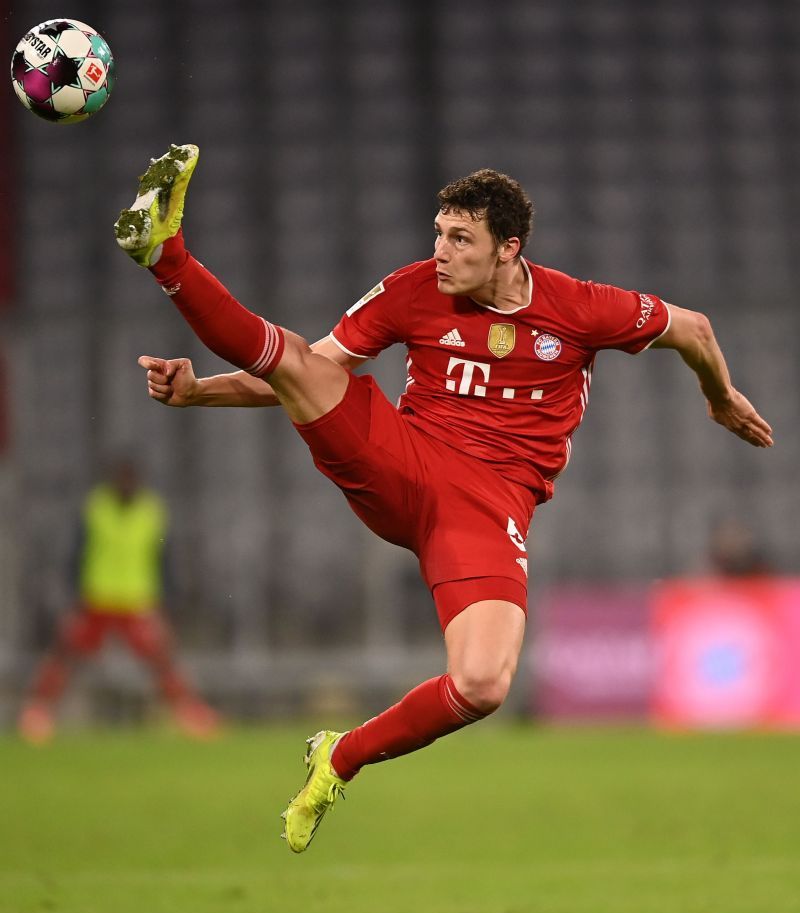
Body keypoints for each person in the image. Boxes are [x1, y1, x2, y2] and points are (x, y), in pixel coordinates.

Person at [114, 144, 773, 852]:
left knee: (484, 682)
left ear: (507, 249)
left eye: (461, 238)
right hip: (403, 458)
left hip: (487, 508)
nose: (440, 250)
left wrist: (720, 395)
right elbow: (308, 369)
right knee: (297, 358)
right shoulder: (410, 291)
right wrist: (199, 393)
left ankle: (340, 755)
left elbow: (694, 328)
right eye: (438, 232)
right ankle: (166, 254)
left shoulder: (578, 307)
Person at [18, 456, 221, 743]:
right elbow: (77, 554)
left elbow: (163, 559)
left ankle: (188, 713)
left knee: (161, 660)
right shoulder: (96, 507)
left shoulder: (151, 510)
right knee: (67, 653)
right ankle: (38, 713)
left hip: (137, 599)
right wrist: (74, 596)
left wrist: (166, 600)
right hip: (97, 598)